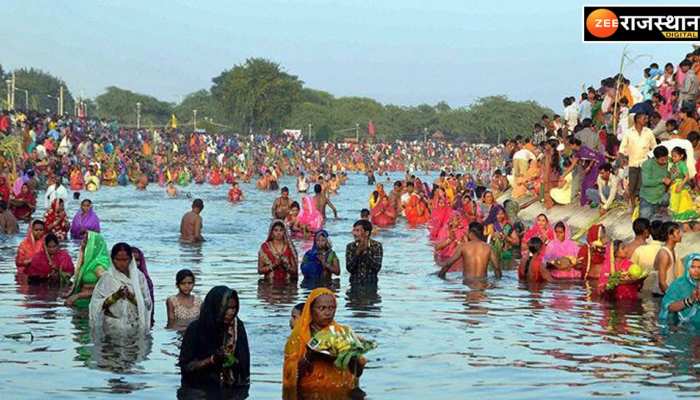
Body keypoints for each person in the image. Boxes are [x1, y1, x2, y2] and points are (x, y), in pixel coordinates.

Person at [283, 288, 367, 396]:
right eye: (322, 308)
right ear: (311, 310)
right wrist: (309, 357)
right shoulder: (298, 337)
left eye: (331, 308)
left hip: (342, 392)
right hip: (310, 394)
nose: (327, 313)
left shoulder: (343, 332)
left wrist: (353, 357)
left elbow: (357, 372)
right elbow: (290, 374)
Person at [180, 286, 250, 388]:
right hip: (198, 388)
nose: (231, 313)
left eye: (234, 308)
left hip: (231, 387)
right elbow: (186, 367)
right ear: (215, 307)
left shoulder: (237, 327)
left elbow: (244, 366)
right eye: (226, 308)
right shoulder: (195, 329)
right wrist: (212, 360)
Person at [89, 242, 153, 334]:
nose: (121, 263)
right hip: (111, 326)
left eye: (125, 259)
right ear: (112, 259)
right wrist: (116, 296)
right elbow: (97, 304)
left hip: (134, 325)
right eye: (118, 260)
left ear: (130, 259)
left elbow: (147, 304)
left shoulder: (139, 277)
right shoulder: (107, 278)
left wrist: (130, 296)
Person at [438, 222, 502, 282]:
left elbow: (448, 264)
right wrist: (498, 281)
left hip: (468, 283)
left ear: (470, 233)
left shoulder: (463, 247)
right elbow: (497, 268)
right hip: (483, 282)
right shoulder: (488, 248)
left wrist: (440, 276)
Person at [619, 113, 657, 207]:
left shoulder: (649, 132)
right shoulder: (628, 132)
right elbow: (622, 149)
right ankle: (633, 206)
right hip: (632, 163)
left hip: (645, 164)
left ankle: (642, 207)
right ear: (637, 120)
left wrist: (651, 158)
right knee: (632, 187)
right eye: (645, 118)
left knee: (643, 187)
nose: (647, 120)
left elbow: (655, 148)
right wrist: (623, 158)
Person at [65, 231, 111, 308]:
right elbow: (78, 271)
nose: (82, 243)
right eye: (83, 240)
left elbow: (107, 288)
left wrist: (78, 295)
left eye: (86, 241)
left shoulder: (99, 266)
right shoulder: (89, 263)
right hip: (82, 299)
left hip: (91, 301)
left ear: (93, 244)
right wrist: (82, 250)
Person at [659, 253, 700, 329]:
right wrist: (690, 300)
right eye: (693, 267)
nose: (696, 270)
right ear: (687, 267)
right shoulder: (678, 284)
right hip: (680, 326)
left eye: (699, 267)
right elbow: (668, 306)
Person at [668, 147, 699, 228]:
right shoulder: (675, 164)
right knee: (678, 206)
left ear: (681, 156)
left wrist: (681, 185)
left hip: (681, 188)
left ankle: (688, 226)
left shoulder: (682, 164)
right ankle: (688, 226)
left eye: (675, 156)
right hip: (675, 187)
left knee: (683, 206)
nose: (673, 158)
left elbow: (687, 176)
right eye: (672, 156)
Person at [639, 146, 671, 220]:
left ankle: (661, 209)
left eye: (666, 158)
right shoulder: (647, 164)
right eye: (662, 160)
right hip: (648, 198)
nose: (665, 161)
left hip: (662, 196)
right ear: (655, 158)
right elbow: (646, 182)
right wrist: (662, 180)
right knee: (644, 219)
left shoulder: (669, 161)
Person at [655, 222, 684, 295]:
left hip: (667, 292)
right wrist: (672, 297)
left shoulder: (672, 251)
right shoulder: (664, 254)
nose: (681, 235)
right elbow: (662, 282)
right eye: (678, 233)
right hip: (661, 295)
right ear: (670, 235)